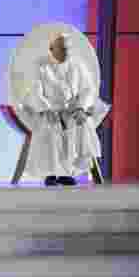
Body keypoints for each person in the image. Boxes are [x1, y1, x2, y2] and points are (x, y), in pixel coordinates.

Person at [21, 32, 108, 186]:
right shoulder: (40, 65)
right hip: (48, 110)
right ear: (51, 48)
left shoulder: (77, 65)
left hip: (73, 110)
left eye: (67, 49)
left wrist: (81, 108)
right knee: (50, 128)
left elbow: (88, 89)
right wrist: (46, 110)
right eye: (61, 48)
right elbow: (35, 90)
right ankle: (51, 173)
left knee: (79, 125)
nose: (65, 52)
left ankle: (67, 172)